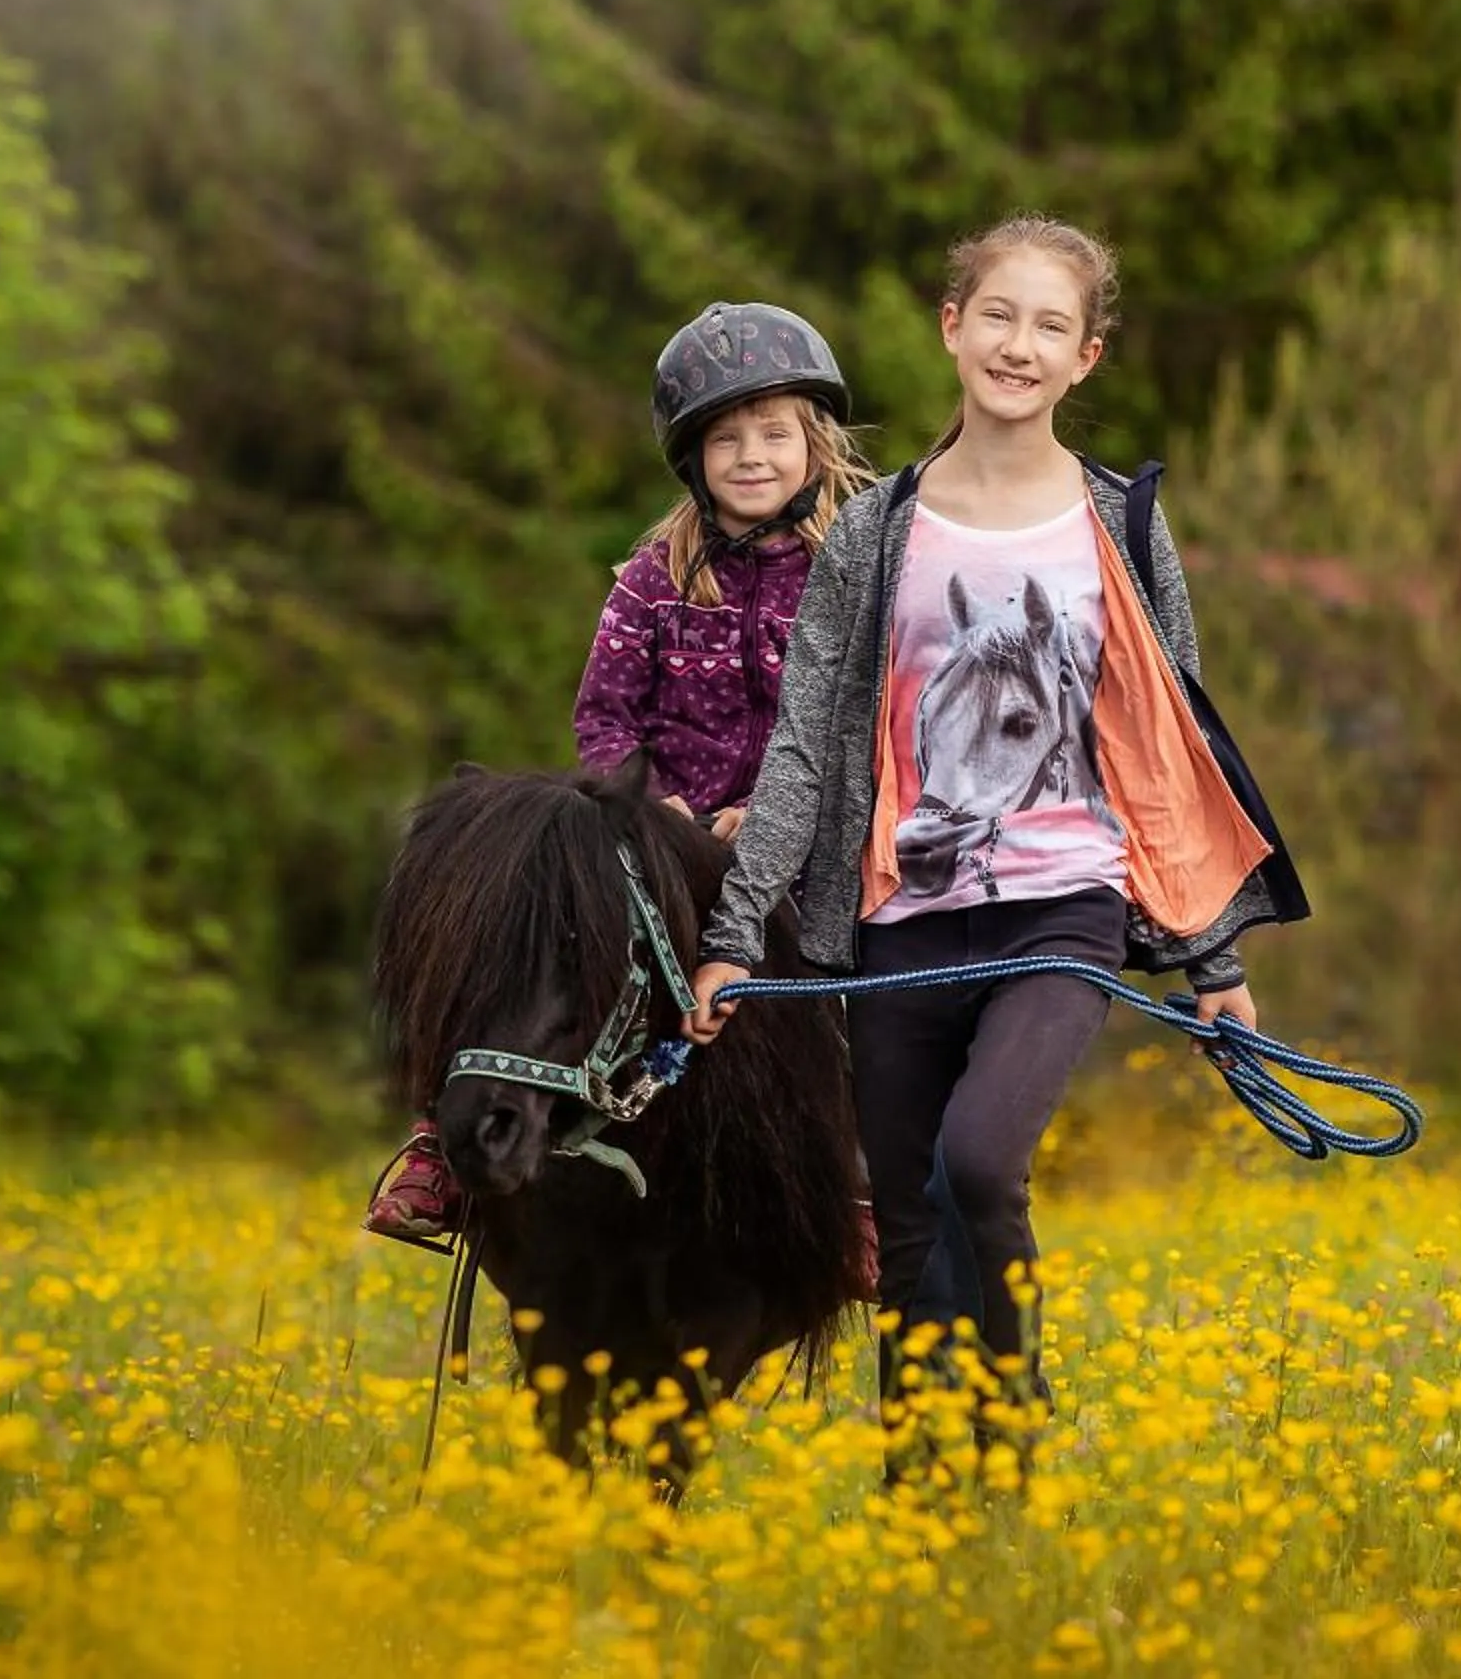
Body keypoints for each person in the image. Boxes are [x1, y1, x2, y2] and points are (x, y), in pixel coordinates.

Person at [680, 216, 1310, 1438]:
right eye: (999, 316)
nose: (1020, 344)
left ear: (1087, 356)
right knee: (908, 1222)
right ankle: (928, 1488)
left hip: (1063, 904)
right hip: (902, 912)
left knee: (977, 1160)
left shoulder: (1121, 528)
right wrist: (736, 930)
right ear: (953, 327)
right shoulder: (874, 534)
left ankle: (1012, 1418)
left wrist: (1212, 960)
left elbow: (1172, 751)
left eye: (1052, 325)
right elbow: (806, 745)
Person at [363, 300, 874, 1246]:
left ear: (815, 447)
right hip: (660, 835)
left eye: (774, 435)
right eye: (727, 440)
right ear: (692, 458)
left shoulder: (850, 574)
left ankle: (856, 1189)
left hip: (796, 839)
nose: (752, 457)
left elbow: (862, 721)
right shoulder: (653, 576)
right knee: (521, 934)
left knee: (842, 972)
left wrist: (772, 814)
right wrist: (646, 801)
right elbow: (602, 711)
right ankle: (446, 1147)